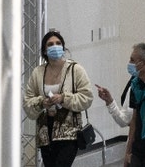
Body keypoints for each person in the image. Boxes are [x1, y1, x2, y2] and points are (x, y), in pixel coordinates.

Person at [23, 30, 94, 167]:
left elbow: (87, 98)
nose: (54, 46)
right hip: (45, 133)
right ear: (44, 50)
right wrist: (41, 102)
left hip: (69, 133)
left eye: (58, 43)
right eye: (50, 44)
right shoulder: (38, 72)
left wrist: (63, 98)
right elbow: (27, 102)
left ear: (63, 47)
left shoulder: (75, 70)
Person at [95, 42, 145, 166]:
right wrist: (128, 152)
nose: (129, 63)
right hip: (138, 150)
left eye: (132, 60)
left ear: (143, 63)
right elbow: (133, 120)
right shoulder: (135, 85)